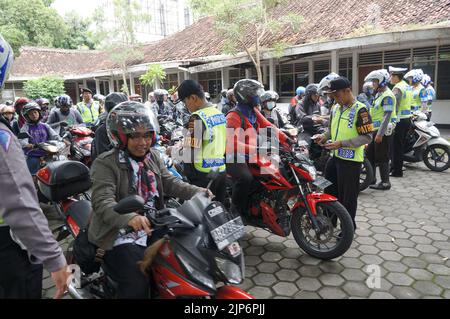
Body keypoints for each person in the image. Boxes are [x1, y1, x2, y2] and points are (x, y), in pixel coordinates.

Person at [88, 101, 206, 298]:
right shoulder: (105, 163)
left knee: (188, 258)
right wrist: (128, 218)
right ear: (119, 137)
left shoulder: (152, 157)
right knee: (137, 285)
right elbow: (102, 201)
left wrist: (198, 192)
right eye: (135, 136)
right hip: (118, 232)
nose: (143, 142)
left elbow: (170, 183)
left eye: (147, 135)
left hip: (154, 222)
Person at [0, 33, 69, 299]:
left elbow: (53, 135)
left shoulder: (46, 123)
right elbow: (19, 201)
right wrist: (54, 257)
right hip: (9, 248)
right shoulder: (10, 133)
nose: (36, 115)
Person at [313, 77, 373, 229]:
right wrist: (324, 136)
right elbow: (332, 130)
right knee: (329, 190)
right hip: (335, 157)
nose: (334, 99)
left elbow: (367, 137)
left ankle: (348, 227)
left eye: (337, 95)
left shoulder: (361, 110)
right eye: (332, 96)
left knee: (348, 197)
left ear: (347, 91)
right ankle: (329, 222)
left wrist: (342, 144)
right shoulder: (335, 108)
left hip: (351, 161)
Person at [226, 79, 291, 217]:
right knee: (246, 178)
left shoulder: (253, 111)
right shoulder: (233, 116)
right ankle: (235, 210)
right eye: (256, 94)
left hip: (252, 153)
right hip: (235, 156)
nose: (259, 97)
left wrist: (286, 139)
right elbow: (233, 143)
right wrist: (256, 148)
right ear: (246, 96)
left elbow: (269, 126)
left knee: (276, 171)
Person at [171, 80, 227, 203]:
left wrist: (174, 152)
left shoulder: (197, 117)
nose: (186, 106)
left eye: (185, 102)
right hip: (220, 170)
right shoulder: (219, 114)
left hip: (202, 175)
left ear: (193, 98)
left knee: (201, 216)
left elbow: (190, 150)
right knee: (219, 212)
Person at [364, 69, 397, 190]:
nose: (373, 84)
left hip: (383, 132)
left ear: (382, 82)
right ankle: (372, 178)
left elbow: (386, 116)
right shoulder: (379, 94)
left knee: (382, 157)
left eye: (374, 82)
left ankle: (385, 182)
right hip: (375, 130)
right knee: (369, 155)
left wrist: (380, 134)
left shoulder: (387, 96)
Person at [19, 102, 61, 175]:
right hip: (33, 155)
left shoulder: (45, 125)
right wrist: (27, 144)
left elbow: (55, 136)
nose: (34, 115)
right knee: (34, 175)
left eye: (35, 112)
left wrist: (63, 140)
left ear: (39, 112)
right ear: (27, 116)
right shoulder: (25, 127)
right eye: (31, 113)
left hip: (48, 153)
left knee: (56, 171)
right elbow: (22, 140)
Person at [389, 66, 413, 178]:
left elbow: (394, 106)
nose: (390, 78)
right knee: (400, 146)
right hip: (407, 118)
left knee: (396, 147)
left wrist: (391, 120)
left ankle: (397, 171)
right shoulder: (407, 86)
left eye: (392, 76)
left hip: (399, 120)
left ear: (396, 76)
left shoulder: (397, 88)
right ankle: (395, 167)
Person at [91, 92, 128, 162]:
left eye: (123, 110)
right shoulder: (102, 130)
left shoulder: (131, 126)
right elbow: (104, 158)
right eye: (116, 110)